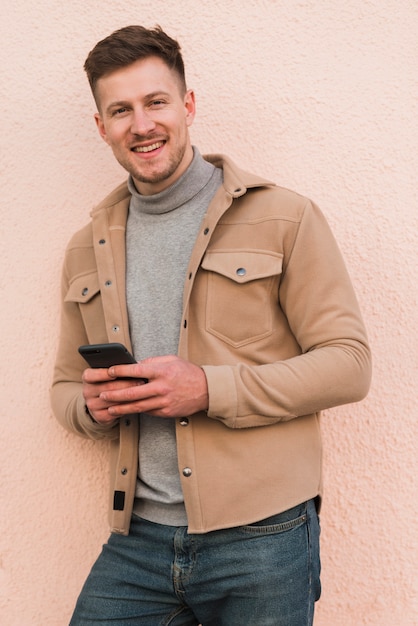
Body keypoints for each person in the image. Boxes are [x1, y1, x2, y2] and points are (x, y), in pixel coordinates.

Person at [51, 24, 372, 626]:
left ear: (188, 104)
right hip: (137, 541)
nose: (140, 125)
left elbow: (349, 363)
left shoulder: (284, 216)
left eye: (155, 102)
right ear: (101, 126)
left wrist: (209, 388)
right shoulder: (83, 248)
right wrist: (92, 408)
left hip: (265, 536)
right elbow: (65, 389)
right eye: (120, 110)